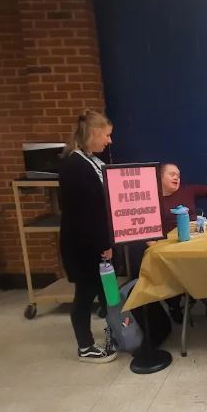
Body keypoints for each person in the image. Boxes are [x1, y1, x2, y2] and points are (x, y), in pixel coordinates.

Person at [58, 109, 117, 363]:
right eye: (106, 135)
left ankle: (116, 331)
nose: (109, 140)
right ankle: (85, 346)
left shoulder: (91, 160)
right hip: (84, 244)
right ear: (93, 133)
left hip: (96, 240)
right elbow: (85, 212)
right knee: (86, 292)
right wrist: (103, 244)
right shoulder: (75, 165)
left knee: (107, 291)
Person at [153, 162, 207, 323]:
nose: (177, 178)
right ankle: (174, 305)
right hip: (169, 247)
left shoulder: (187, 190)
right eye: (172, 174)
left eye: (179, 175)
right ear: (160, 177)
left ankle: (203, 292)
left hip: (195, 243)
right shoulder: (152, 198)